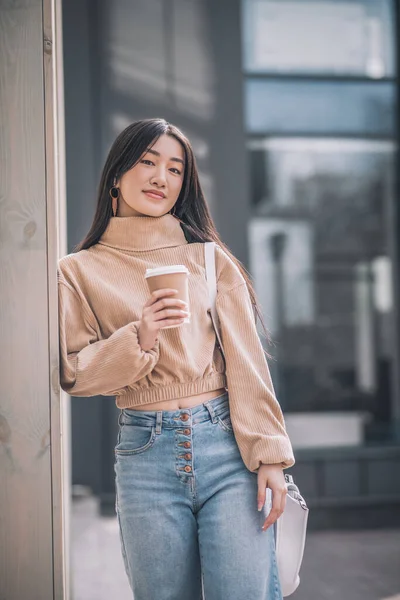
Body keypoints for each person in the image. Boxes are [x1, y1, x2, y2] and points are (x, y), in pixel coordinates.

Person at [58, 118, 295, 600]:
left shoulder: (208, 258)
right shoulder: (77, 272)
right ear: (116, 177)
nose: (161, 178)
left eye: (175, 168)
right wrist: (140, 336)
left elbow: (247, 362)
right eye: (147, 162)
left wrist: (270, 454)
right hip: (145, 454)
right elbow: (74, 371)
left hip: (229, 449)